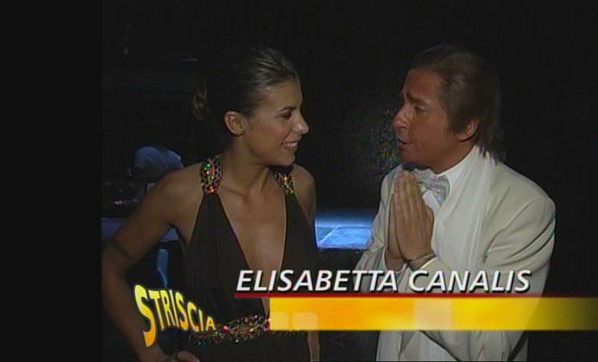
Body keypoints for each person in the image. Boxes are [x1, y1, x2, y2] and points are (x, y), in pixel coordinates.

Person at [102, 45, 320, 362]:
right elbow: (109, 268)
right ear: (236, 123)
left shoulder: (301, 187)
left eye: (300, 110)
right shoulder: (181, 194)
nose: (303, 126)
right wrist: (152, 356)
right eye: (287, 115)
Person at [355, 44, 556, 361]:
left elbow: (489, 347)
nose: (398, 119)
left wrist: (423, 261)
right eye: (402, 103)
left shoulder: (523, 207)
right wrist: (391, 258)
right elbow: (363, 297)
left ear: (467, 126)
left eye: (418, 108)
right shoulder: (396, 182)